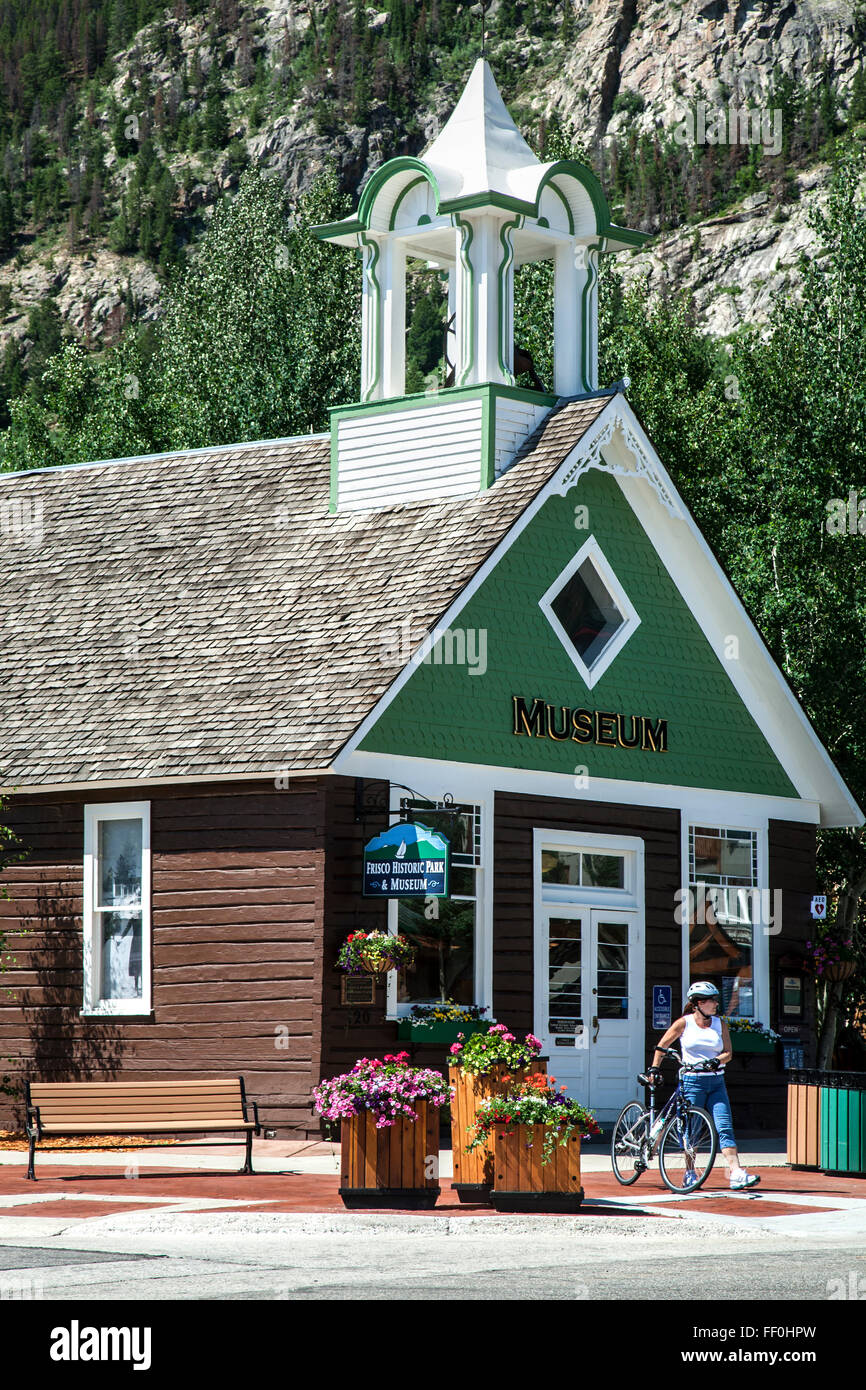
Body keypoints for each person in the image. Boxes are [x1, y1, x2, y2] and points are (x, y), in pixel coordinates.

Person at [647, 981, 760, 1191]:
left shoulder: (720, 1024)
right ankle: (689, 1173)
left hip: (716, 1081)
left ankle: (736, 1173)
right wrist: (654, 1068)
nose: (716, 1004)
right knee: (692, 1130)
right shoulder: (684, 1023)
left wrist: (718, 1060)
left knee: (724, 1126)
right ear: (699, 1003)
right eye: (712, 1000)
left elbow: (728, 1052)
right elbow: (662, 1046)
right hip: (692, 1081)